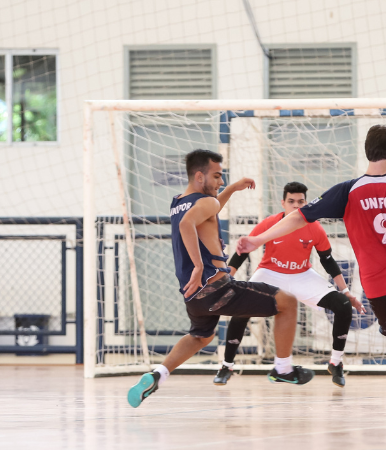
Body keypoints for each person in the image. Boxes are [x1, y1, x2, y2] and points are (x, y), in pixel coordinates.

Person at [237, 125, 386, 420]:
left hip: (379, 288)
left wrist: (257, 240)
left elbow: (298, 217)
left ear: (367, 151)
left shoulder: (347, 191)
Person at [128, 149, 314, 408]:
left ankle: (158, 374)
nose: (221, 182)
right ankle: (283, 370)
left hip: (193, 296)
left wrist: (233, 189)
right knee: (288, 302)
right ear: (200, 176)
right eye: (217, 176)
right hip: (217, 288)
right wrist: (197, 265)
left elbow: (206, 211)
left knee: (200, 336)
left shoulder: (178, 201)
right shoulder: (206, 203)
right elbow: (190, 224)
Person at [216, 182, 366, 388]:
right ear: (283, 203)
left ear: (306, 202)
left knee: (343, 305)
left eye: (301, 202)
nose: (296, 206)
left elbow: (328, 260)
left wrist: (346, 291)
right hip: (270, 273)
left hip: (302, 275)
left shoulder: (314, 227)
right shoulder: (270, 223)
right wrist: (227, 279)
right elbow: (242, 252)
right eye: (291, 202)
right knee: (241, 310)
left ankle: (336, 363)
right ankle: (226, 366)